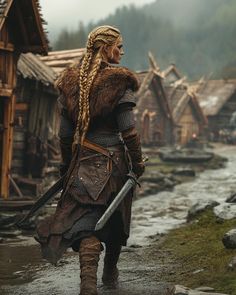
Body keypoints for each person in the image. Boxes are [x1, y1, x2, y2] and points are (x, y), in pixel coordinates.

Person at [35, 25, 145, 295]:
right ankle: (108, 276)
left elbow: (64, 135)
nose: (121, 50)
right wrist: (138, 162)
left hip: (80, 163)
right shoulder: (120, 82)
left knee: (87, 225)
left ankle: (87, 285)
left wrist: (66, 165)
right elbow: (128, 131)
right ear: (106, 48)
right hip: (113, 165)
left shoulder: (71, 81)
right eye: (118, 45)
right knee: (114, 220)